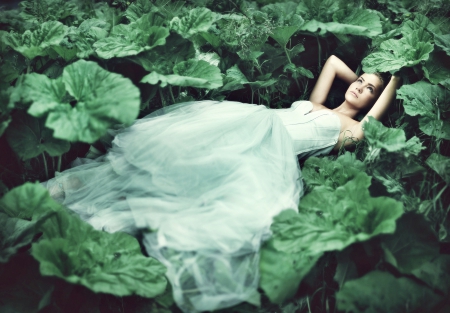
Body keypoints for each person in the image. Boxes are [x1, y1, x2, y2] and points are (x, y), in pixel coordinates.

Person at [43, 55, 400, 312]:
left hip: (266, 148)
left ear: (374, 102)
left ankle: (111, 219)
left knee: (196, 184)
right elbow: (335, 61)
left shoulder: (351, 131)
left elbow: (375, 110)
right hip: (246, 125)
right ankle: (83, 188)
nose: (359, 86)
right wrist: (366, 69)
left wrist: (394, 76)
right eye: (359, 81)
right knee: (176, 153)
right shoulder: (318, 103)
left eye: (369, 89)